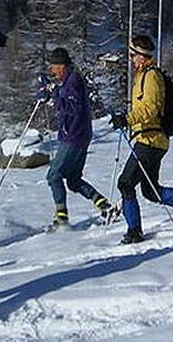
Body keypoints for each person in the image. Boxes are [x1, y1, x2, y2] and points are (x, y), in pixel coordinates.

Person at [109, 35, 173, 244]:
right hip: (151, 140)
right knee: (151, 191)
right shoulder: (143, 76)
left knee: (126, 183)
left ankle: (134, 231)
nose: (131, 59)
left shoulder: (151, 76)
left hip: (150, 140)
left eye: (133, 55)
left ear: (142, 56)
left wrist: (127, 119)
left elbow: (151, 107)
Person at [39, 47, 112, 229]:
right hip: (78, 135)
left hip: (73, 136)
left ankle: (61, 218)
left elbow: (73, 108)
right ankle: (104, 205)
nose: (52, 71)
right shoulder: (68, 81)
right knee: (73, 180)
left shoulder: (73, 81)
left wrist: (53, 96)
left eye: (54, 67)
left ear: (62, 65)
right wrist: (52, 91)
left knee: (53, 175)